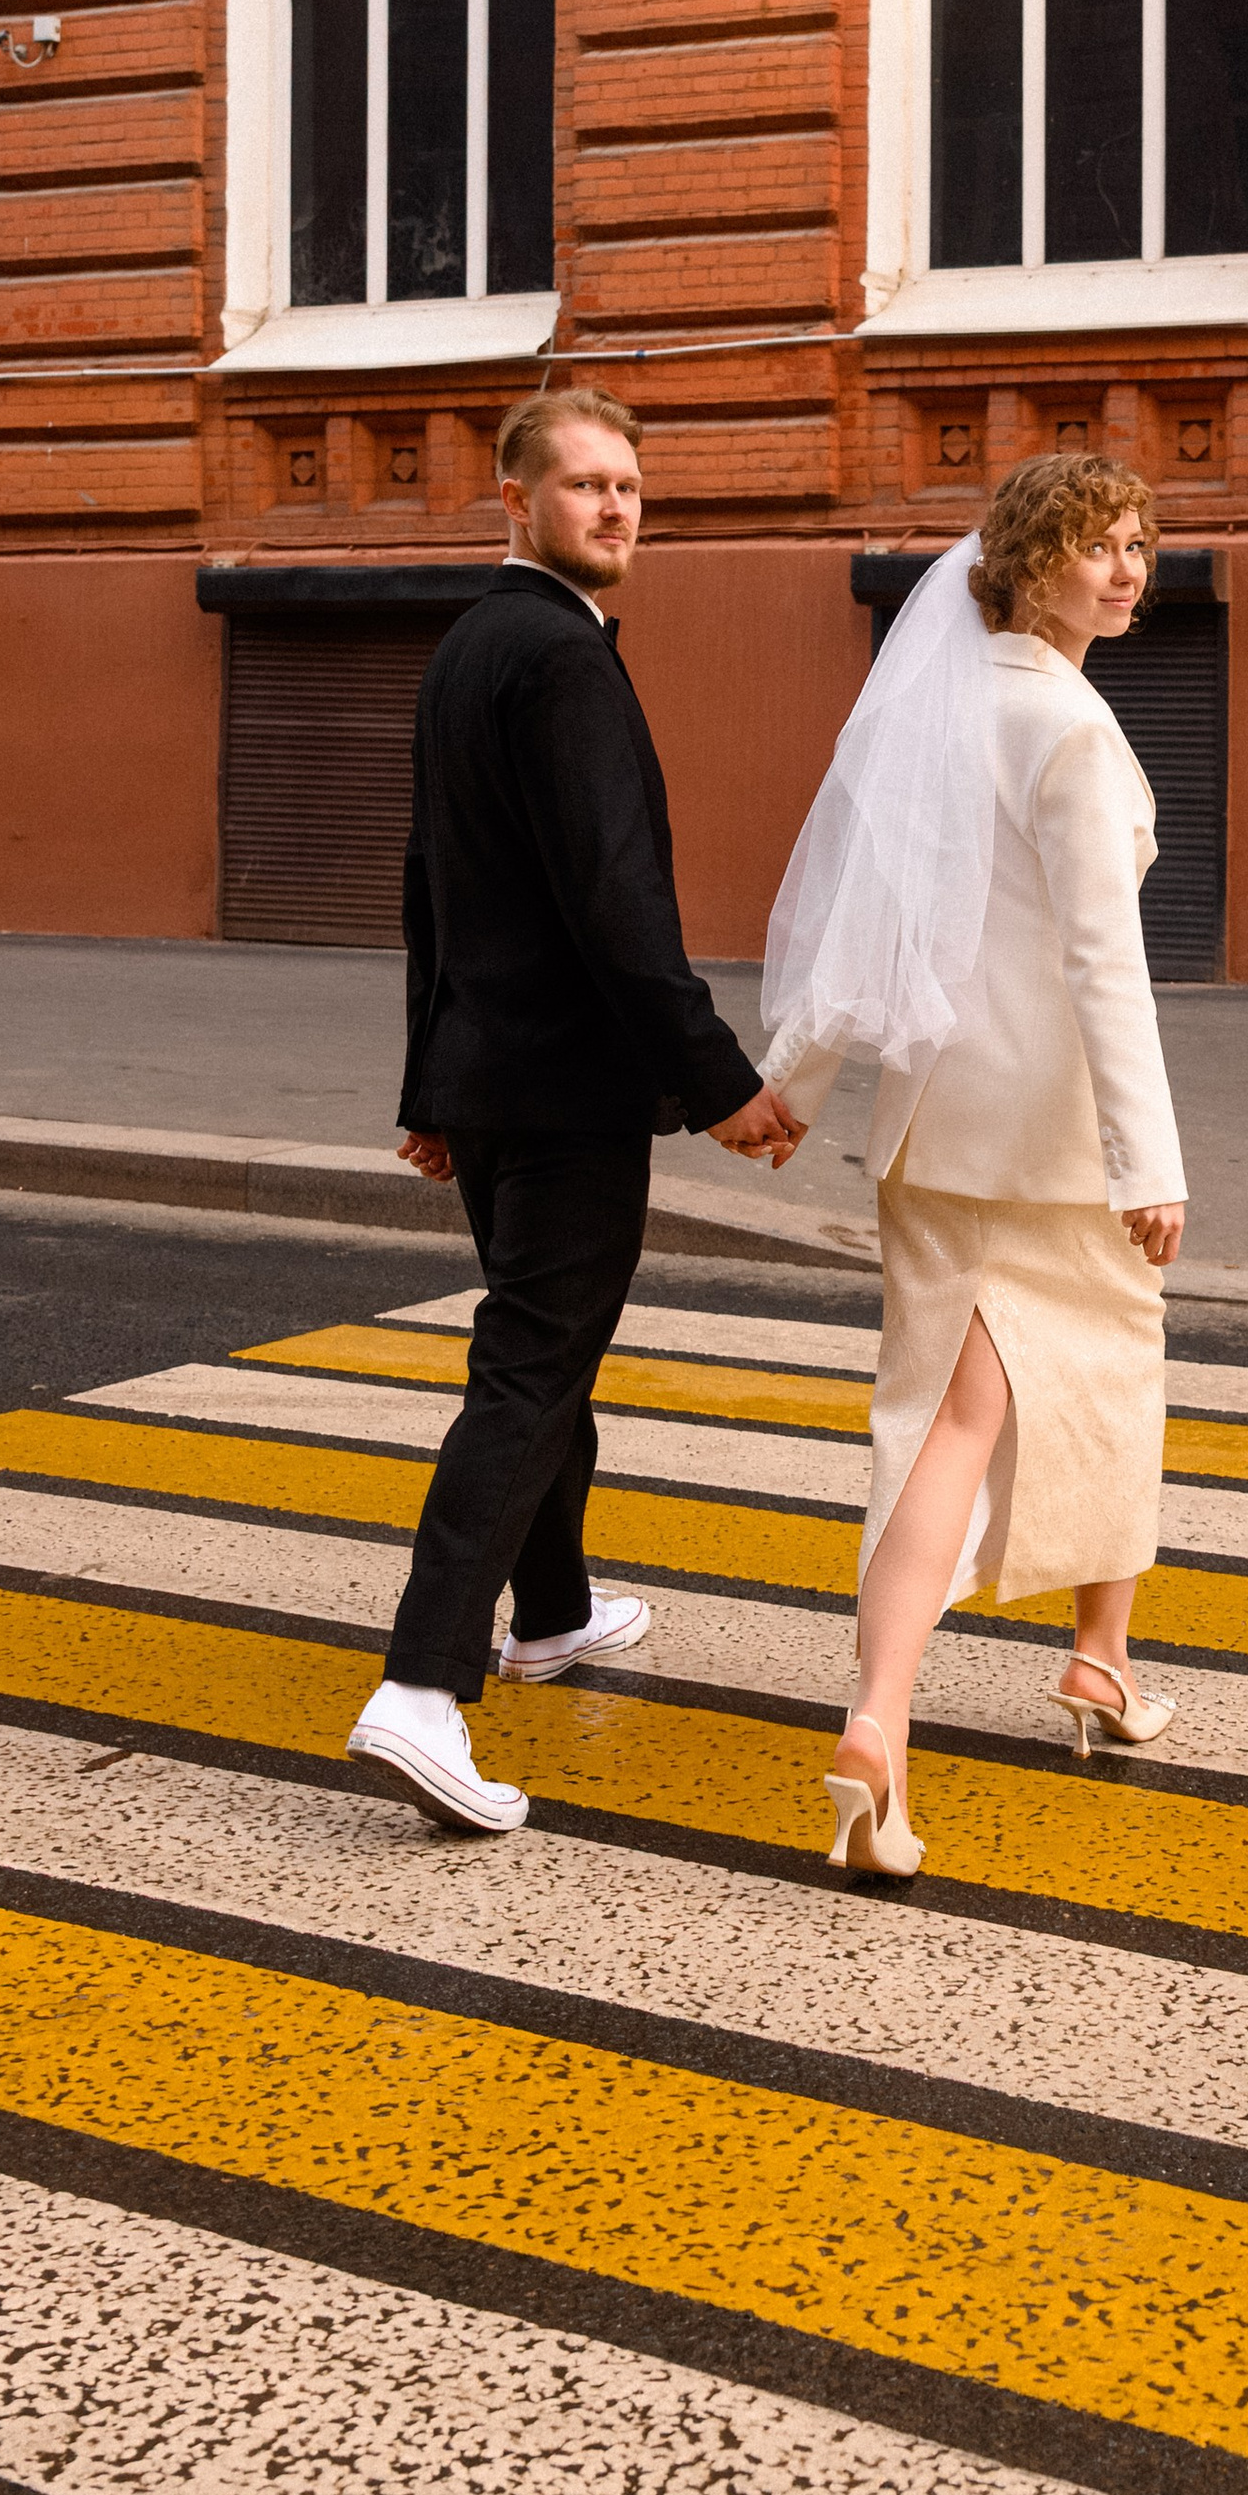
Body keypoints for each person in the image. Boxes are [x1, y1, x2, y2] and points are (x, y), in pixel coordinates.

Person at [346, 387, 803, 1835]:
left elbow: (430, 885)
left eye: (628, 485)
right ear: (518, 501)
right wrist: (719, 1078)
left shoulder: (468, 648)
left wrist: (431, 1082)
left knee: (553, 1349)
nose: (614, 506)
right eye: (585, 485)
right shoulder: (562, 661)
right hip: (559, 1089)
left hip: (490, 1078)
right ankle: (422, 1686)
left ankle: (550, 1612)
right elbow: (621, 904)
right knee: (533, 1366)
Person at [759, 452, 1186, 1876]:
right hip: (1055, 1145)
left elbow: (862, 926)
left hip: (933, 1124)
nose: (1123, 568)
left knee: (961, 1402)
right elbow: (1099, 957)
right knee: (996, 1410)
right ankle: (883, 1718)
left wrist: (791, 1090)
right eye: (1092, 545)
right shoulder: (1067, 730)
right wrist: (1149, 1156)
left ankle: (1096, 1659)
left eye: (1136, 544)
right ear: (1021, 563)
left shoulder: (938, 711)